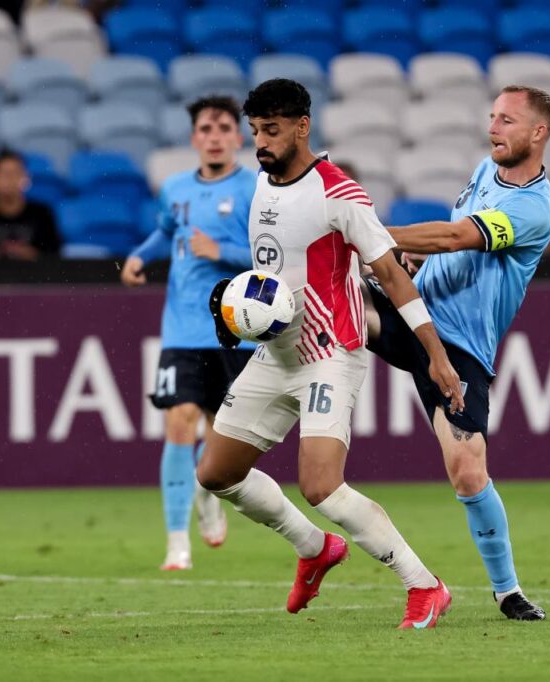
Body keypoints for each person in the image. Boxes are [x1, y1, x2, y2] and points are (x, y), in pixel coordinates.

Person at [197, 79, 465, 629]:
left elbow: (391, 274)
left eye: (270, 131)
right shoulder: (262, 185)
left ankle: (425, 585)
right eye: (255, 132)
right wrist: (240, 305)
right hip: (275, 355)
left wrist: (434, 355)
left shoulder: (340, 194)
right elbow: (275, 274)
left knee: (320, 485)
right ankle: (314, 548)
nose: (260, 142)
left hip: (329, 355)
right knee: (216, 473)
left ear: (302, 126)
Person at [364, 85, 550, 622]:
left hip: (462, 347)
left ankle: (508, 591)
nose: (494, 127)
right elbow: (439, 247)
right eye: (493, 116)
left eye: (508, 120)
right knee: (335, 306)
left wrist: (370, 234)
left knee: (468, 473)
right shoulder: (483, 169)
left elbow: (453, 237)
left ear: (538, 133)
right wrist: (406, 259)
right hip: (415, 314)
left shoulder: (533, 208)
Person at [121, 96, 257, 571]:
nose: (215, 136)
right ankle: (177, 542)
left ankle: (207, 491)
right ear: (194, 138)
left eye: (223, 127)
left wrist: (219, 249)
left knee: (222, 442)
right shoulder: (176, 188)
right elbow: (165, 232)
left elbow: (269, 255)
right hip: (180, 331)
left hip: (236, 334)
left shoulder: (255, 189)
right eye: (206, 128)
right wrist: (141, 255)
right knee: (178, 421)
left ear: (238, 138)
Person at [0, 149, 62, 260]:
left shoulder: (43, 215)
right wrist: (0, 252)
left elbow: (54, 257)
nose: (10, 179)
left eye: (16, 173)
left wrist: (27, 253)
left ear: (26, 179)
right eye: (4, 174)